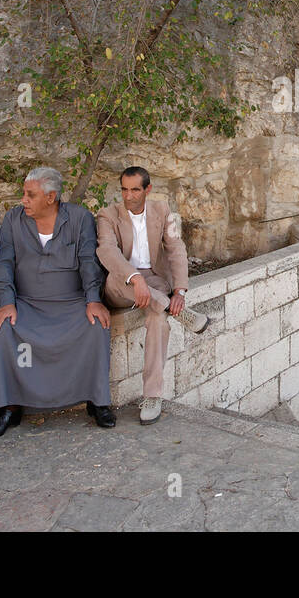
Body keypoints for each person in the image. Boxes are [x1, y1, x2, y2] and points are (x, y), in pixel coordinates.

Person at [0, 167, 115, 439]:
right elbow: (3, 262)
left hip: (71, 302)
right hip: (27, 303)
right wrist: (6, 302)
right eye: (24, 194)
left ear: (51, 197)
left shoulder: (79, 218)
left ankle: (97, 400)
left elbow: (89, 261)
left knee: (96, 326)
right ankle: (8, 407)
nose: (24, 200)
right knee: (4, 330)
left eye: (30, 195)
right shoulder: (13, 220)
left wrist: (93, 299)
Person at [95, 166, 205, 425]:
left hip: (154, 281)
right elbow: (107, 252)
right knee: (117, 279)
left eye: (135, 189)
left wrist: (179, 290)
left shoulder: (163, 210)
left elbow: (176, 249)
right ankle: (172, 308)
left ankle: (153, 396)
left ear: (148, 189)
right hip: (120, 283)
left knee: (158, 320)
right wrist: (134, 278)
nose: (128, 195)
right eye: (124, 189)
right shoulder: (107, 215)